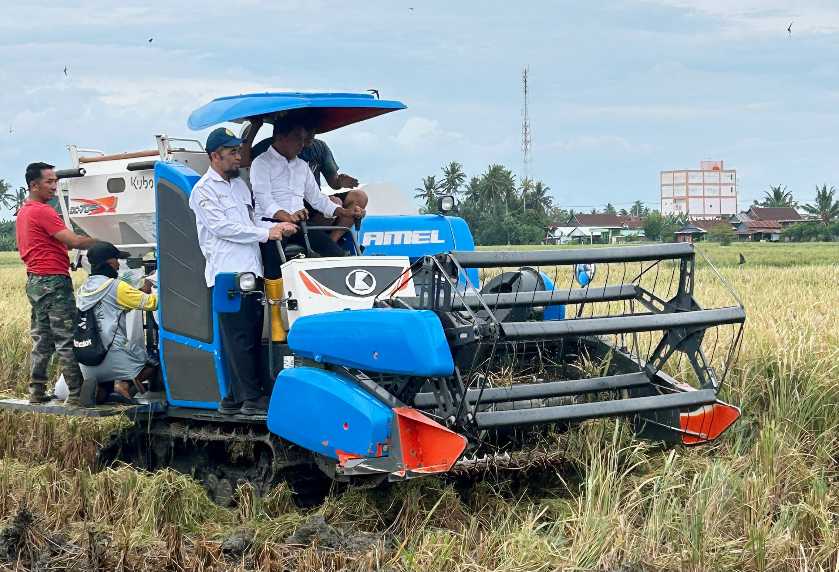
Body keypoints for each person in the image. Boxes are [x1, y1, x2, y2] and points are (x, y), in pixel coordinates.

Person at [189, 127, 297, 416]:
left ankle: (233, 398)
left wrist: (276, 226)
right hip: (227, 274)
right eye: (233, 152)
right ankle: (251, 399)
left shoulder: (239, 185)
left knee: (248, 335)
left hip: (250, 270)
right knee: (238, 338)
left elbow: (250, 222)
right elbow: (222, 228)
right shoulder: (203, 190)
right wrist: (266, 234)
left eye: (239, 151)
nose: (239, 157)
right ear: (215, 156)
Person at [16, 162, 98, 405]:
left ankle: (37, 392)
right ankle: (76, 395)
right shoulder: (43, 211)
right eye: (49, 182)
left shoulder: (24, 212)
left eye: (56, 181)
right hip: (54, 281)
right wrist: (105, 242)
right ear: (34, 185)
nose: (55, 186)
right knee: (66, 338)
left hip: (35, 281)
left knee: (42, 339)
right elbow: (74, 242)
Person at [249, 115, 364, 259]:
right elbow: (265, 200)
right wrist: (288, 217)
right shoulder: (261, 162)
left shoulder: (302, 165)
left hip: (300, 225)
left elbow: (318, 199)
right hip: (270, 223)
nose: (302, 144)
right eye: (297, 138)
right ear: (280, 137)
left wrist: (345, 212)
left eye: (304, 139)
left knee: (337, 256)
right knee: (275, 266)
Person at [75, 242, 157, 403]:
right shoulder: (116, 287)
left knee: (106, 386)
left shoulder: (83, 289)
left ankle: (99, 392)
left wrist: (140, 291)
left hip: (86, 358)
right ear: (110, 262)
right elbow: (151, 303)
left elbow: (112, 305)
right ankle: (125, 385)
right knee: (154, 362)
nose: (118, 265)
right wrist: (155, 285)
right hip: (113, 355)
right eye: (116, 260)